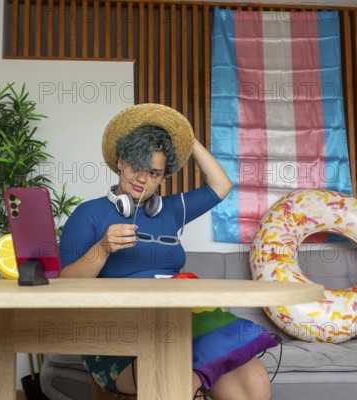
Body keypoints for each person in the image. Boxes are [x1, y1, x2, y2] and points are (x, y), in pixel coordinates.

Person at [59, 104, 271, 400]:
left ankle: (197, 373)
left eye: (154, 173)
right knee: (173, 373)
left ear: (162, 178)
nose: (142, 179)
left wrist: (183, 136)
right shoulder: (89, 214)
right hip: (123, 331)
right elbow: (65, 284)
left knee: (253, 380)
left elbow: (221, 185)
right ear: (120, 161)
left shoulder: (170, 211)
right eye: (136, 165)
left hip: (183, 320)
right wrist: (103, 248)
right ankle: (195, 376)